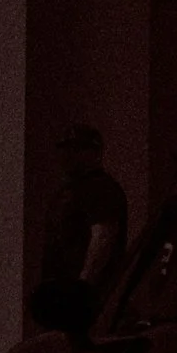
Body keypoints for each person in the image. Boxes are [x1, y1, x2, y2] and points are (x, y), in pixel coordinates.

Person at [39, 124, 129, 291]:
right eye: (66, 150)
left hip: (86, 297)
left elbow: (103, 238)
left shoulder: (103, 189)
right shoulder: (68, 190)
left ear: (95, 153)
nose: (68, 156)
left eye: (77, 150)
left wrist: (83, 286)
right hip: (62, 291)